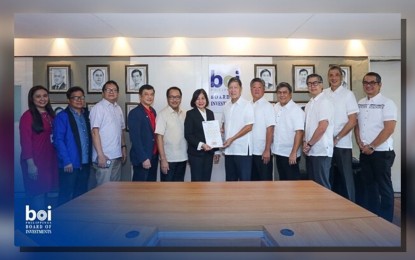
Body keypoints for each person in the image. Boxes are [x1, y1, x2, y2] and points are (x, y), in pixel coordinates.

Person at [354, 72, 397, 222]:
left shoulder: (387, 103)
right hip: (365, 152)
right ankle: (373, 217)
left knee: (384, 187)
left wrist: (372, 146)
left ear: (379, 85)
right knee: (369, 186)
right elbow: (357, 125)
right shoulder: (360, 102)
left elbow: (389, 128)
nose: (368, 85)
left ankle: (386, 221)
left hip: (381, 153)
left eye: (372, 82)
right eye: (365, 82)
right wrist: (359, 142)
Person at [19, 85, 58, 209]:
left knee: (50, 192)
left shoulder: (51, 114)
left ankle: (48, 223)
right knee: (38, 193)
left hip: (50, 159)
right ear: (32, 99)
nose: (42, 99)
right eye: (38, 96)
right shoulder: (27, 116)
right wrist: (31, 165)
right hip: (35, 160)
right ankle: (38, 225)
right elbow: (25, 142)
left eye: (45, 96)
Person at [323, 65, 359, 202]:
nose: (333, 78)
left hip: (342, 144)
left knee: (346, 179)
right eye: (331, 75)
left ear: (341, 77)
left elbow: (352, 121)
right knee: (327, 178)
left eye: (336, 75)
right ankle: (328, 207)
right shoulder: (324, 93)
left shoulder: (348, 94)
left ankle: (352, 207)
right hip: (325, 144)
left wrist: (337, 138)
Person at [53, 86, 91, 205]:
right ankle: (61, 221)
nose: (79, 100)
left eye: (82, 97)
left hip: (84, 162)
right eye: (76, 98)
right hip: (70, 164)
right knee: (65, 195)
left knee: (81, 195)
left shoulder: (87, 115)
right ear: (69, 100)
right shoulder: (62, 117)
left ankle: (77, 220)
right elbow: (58, 140)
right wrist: (66, 161)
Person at [89, 80, 127, 186]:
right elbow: (94, 132)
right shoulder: (98, 108)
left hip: (117, 155)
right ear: (103, 93)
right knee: (103, 191)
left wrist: (123, 147)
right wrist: (100, 155)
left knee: (115, 189)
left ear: (118, 94)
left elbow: (121, 130)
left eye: (115, 90)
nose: (112, 92)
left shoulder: (118, 108)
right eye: (109, 90)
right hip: (104, 157)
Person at [303, 73, 334, 189]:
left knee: (322, 186)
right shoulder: (309, 104)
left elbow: (322, 127)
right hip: (311, 151)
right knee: (313, 186)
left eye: (315, 83)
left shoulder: (324, 102)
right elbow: (307, 127)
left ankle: (326, 208)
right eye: (309, 84)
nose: (312, 86)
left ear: (322, 85)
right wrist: (305, 143)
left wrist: (309, 143)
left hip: (321, 151)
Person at [221, 77, 255, 181]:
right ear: (228, 90)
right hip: (229, 151)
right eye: (230, 88)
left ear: (241, 89)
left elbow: (249, 126)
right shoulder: (226, 105)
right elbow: (224, 124)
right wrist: (221, 130)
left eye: (235, 87)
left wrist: (232, 138)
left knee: (244, 183)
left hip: (242, 151)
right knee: (230, 182)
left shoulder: (247, 105)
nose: (233, 90)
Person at [184, 89, 220, 181]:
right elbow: (188, 135)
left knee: (207, 180)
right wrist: (202, 145)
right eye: (197, 99)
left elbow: (214, 134)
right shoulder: (190, 114)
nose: (200, 101)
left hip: (209, 154)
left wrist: (216, 151)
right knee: (197, 181)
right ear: (194, 101)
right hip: (196, 154)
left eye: (203, 98)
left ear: (206, 100)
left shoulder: (210, 113)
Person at [272, 82, 305, 180]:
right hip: (279, 152)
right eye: (279, 92)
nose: (282, 95)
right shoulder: (276, 107)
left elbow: (299, 132)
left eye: (285, 92)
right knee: (283, 182)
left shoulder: (296, 110)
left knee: (292, 184)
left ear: (290, 94)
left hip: (290, 154)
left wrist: (293, 152)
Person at [155, 86, 188, 182]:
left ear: (181, 99)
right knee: (167, 191)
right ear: (167, 98)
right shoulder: (162, 114)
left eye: (177, 97)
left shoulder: (185, 114)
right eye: (171, 97)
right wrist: (163, 159)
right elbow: (159, 137)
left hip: (183, 158)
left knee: (179, 190)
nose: (175, 100)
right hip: (169, 160)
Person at [128, 84, 158, 182]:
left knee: (151, 189)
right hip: (143, 158)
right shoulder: (135, 113)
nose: (149, 97)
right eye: (146, 94)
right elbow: (135, 139)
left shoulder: (153, 111)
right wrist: (144, 158)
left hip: (153, 155)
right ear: (140, 96)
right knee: (139, 191)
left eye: (152, 94)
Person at [250, 78, 275, 181]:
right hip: (250, 152)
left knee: (265, 183)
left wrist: (267, 150)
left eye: (259, 87)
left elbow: (270, 129)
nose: (256, 90)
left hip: (262, 152)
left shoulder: (267, 106)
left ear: (263, 89)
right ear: (250, 89)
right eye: (254, 87)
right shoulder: (248, 105)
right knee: (252, 183)